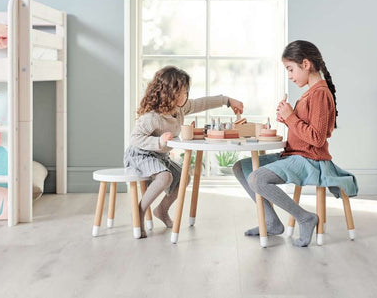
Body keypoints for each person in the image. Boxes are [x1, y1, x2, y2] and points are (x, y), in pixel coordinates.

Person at [232, 40, 357, 247]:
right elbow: (304, 128)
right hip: (294, 155)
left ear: (306, 64)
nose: (290, 76)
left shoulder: (319, 94)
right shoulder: (310, 92)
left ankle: (305, 218)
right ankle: (271, 222)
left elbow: (316, 139)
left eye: (291, 69)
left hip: (309, 159)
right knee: (241, 167)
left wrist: (290, 117)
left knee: (256, 178)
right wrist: (288, 117)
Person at [124, 66, 243, 238]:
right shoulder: (152, 117)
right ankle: (139, 212)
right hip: (140, 155)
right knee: (166, 177)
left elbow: (202, 103)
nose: (184, 97)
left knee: (184, 177)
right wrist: (158, 141)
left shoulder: (180, 108)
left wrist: (227, 100)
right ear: (167, 93)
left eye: (185, 92)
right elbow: (135, 138)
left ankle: (162, 210)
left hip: (159, 156)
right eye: (180, 93)